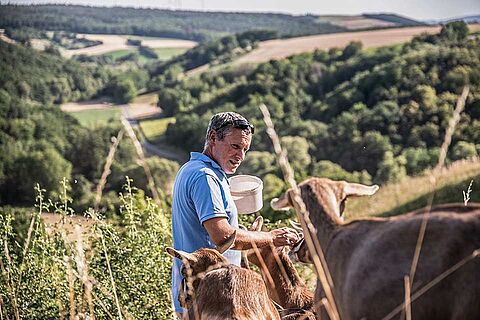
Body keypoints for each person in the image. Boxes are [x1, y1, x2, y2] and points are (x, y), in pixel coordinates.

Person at [171, 111, 299, 317]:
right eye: (235, 146)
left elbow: (210, 229)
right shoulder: (205, 177)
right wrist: (272, 238)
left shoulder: (191, 170)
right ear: (213, 138)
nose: (241, 156)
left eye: (245, 149)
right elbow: (222, 237)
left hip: (201, 297)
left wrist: (244, 232)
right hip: (215, 296)